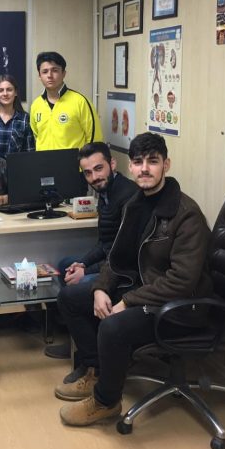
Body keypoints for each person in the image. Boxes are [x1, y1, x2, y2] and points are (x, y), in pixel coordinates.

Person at [55, 132, 212, 427]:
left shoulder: (185, 215)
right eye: (138, 162)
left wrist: (127, 301)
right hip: (146, 290)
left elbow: (182, 281)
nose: (144, 169)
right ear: (129, 167)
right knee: (70, 298)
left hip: (179, 307)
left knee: (113, 326)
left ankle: (106, 402)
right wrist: (101, 288)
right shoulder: (136, 204)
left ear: (166, 164)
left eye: (153, 161)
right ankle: (98, 373)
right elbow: (117, 256)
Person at [44, 142, 138, 360]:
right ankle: (79, 338)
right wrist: (83, 264)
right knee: (66, 265)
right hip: (111, 260)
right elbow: (104, 243)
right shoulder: (105, 193)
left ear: (112, 164)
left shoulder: (127, 197)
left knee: (76, 287)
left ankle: (93, 353)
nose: (94, 177)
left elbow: (122, 255)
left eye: (98, 169)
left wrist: (86, 272)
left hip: (125, 272)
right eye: (88, 173)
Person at [30, 51, 103, 151]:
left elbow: (95, 140)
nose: (49, 75)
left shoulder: (80, 102)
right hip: (43, 161)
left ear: (63, 73)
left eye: (55, 70)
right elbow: (36, 137)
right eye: (45, 71)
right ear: (39, 76)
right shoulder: (36, 105)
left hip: (73, 161)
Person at [0, 74, 34, 157]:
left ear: (15, 93)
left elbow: (29, 152)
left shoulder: (25, 119)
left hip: (16, 165)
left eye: (9, 90)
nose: (5, 93)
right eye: (1, 90)